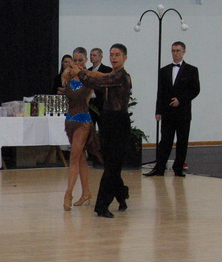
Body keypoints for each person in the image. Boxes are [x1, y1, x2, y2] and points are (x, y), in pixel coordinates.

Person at [75, 44, 132, 218]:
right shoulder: (111, 75)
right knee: (110, 164)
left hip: (119, 122)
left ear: (124, 57)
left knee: (113, 165)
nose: (114, 58)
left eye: (117, 55)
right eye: (112, 54)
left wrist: (80, 73)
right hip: (107, 120)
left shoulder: (122, 77)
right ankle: (121, 194)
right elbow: (99, 77)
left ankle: (101, 206)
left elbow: (96, 81)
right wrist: (84, 71)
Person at [144, 41, 200, 178]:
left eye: (178, 51)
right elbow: (160, 92)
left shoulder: (192, 70)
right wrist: (158, 111)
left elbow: (195, 90)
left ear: (183, 52)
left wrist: (180, 100)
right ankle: (159, 168)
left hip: (183, 112)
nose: (175, 53)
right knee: (165, 141)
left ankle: (178, 168)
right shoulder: (164, 70)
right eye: (173, 51)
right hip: (168, 112)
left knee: (182, 141)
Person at [58, 50, 100, 211]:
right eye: (74, 60)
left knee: (74, 156)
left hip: (83, 121)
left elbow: (100, 78)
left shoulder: (89, 77)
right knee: (80, 157)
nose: (77, 63)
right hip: (70, 122)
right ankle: (86, 193)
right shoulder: (67, 76)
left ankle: (68, 193)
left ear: (86, 59)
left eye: (80, 60)